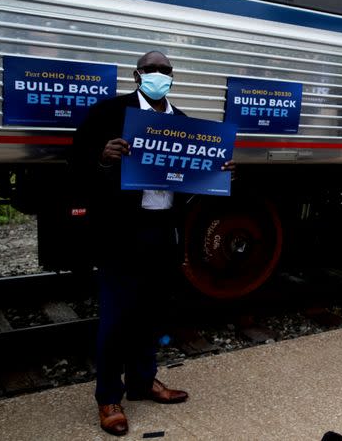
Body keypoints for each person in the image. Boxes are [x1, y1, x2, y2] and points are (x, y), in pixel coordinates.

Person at [71, 51, 234, 436]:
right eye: (151, 70)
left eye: (165, 70)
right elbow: (75, 164)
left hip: (163, 230)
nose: (158, 75)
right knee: (116, 317)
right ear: (137, 75)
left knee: (152, 313)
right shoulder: (109, 113)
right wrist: (103, 159)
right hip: (120, 231)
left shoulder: (182, 124)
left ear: (172, 77)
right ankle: (109, 397)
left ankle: (143, 382)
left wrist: (220, 173)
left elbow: (192, 185)